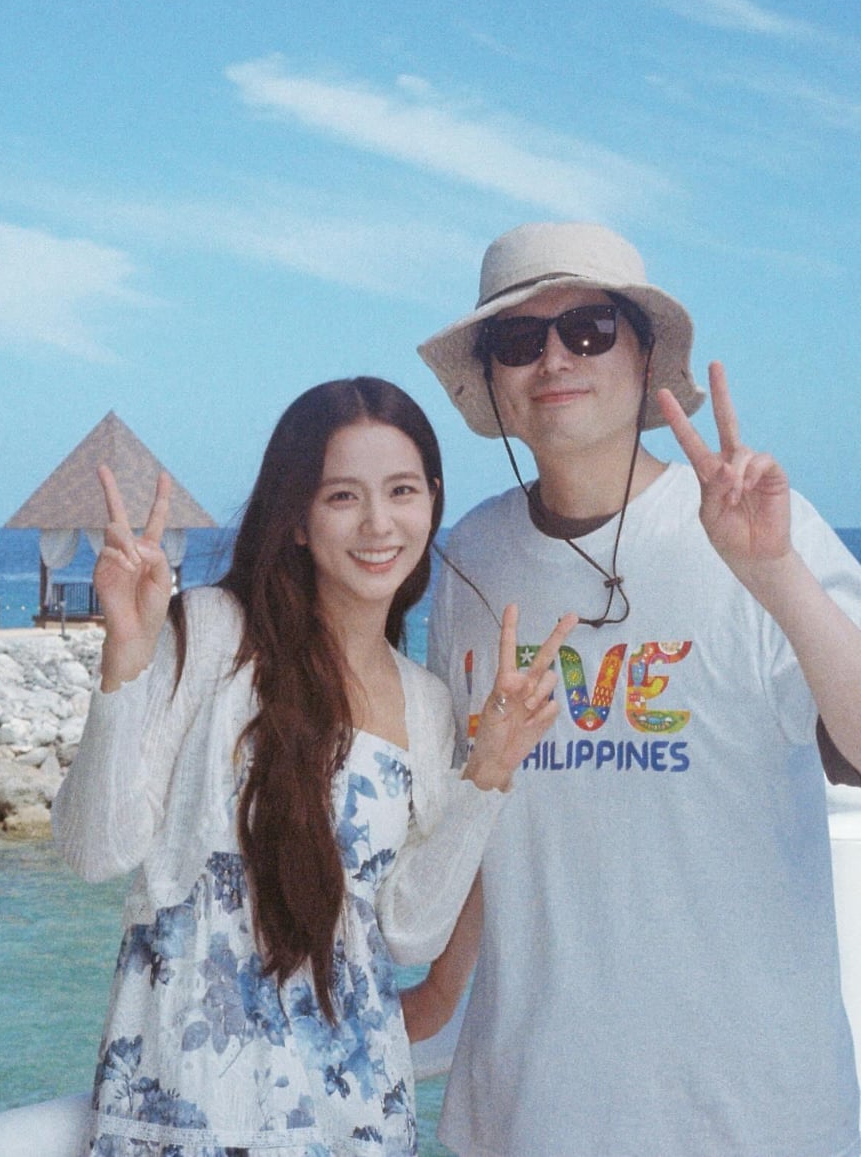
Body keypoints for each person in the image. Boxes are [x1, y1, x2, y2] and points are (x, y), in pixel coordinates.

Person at [413, 222, 861, 1157]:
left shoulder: (763, 531)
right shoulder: (468, 560)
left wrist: (772, 572)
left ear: (646, 354)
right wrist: (431, 998)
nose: (554, 359)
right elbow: (475, 813)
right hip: (527, 1112)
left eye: (589, 329)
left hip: (751, 1117)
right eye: (518, 339)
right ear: (491, 376)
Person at [52, 376, 576, 1157]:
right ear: (296, 518)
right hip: (187, 1108)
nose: (378, 523)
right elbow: (95, 847)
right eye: (342, 496)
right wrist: (125, 657)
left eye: (401, 490)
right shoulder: (214, 632)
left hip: (355, 1114)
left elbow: (409, 928)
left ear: (432, 501)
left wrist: (490, 772)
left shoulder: (425, 703)